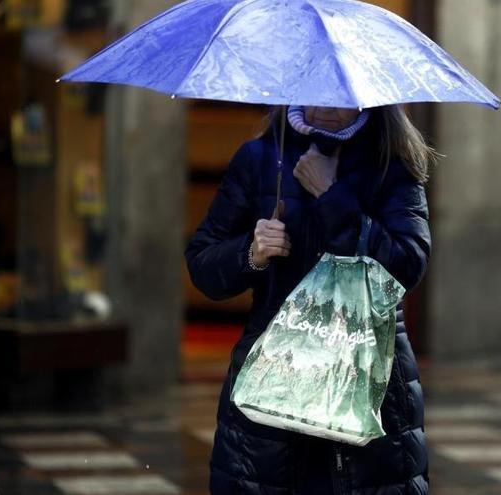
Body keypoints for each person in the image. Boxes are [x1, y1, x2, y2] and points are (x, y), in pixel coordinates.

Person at [185, 104, 435, 494]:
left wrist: (332, 196)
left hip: (368, 377)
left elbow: (408, 266)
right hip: (274, 379)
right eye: (316, 92)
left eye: (341, 97)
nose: (326, 108)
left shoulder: (392, 161)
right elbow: (202, 263)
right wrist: (252, 253)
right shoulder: (259, 158)